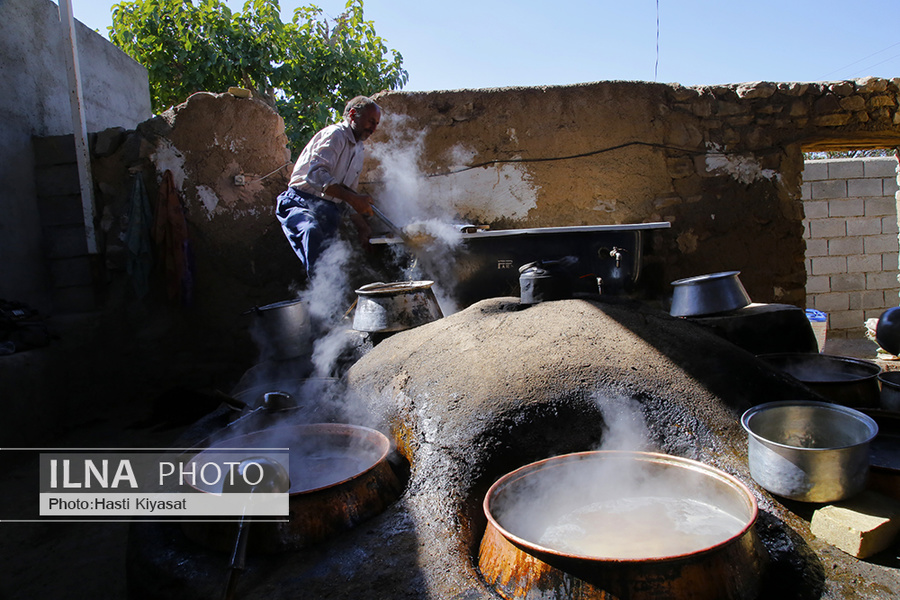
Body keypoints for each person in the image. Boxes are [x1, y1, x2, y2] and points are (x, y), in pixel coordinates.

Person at [276, 96, 381, 278]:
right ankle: (320, 304)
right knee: (311, 231)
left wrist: (363, 228)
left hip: (329, 211)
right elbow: (315, 175)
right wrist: (353, 198)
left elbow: (348, 197)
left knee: (331, 264)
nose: (374, 128)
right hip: (300, 202)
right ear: (353, 114)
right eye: (371, 121)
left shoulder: (358, 150)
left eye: (376, 123)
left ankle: (329, 302)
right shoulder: (335, 135)